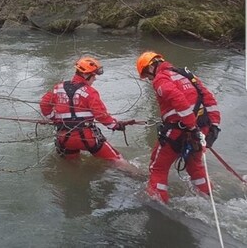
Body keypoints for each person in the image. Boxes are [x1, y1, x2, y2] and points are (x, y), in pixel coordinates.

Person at [136, 51, 221, 203]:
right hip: (202, 128)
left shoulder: (160, 79)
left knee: (158, 168)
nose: (149, 79)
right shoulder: (186, 74)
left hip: (179, 131)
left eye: (147, 76)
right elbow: (208, 97)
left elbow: (177, 98)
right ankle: (208, 198)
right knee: (195, 167)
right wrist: (214, 125)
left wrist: (191, 127)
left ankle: (157, 204)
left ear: (150, 68)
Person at [40, 56, 128, 161]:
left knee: (71, 166)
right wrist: (115, 125)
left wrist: (54, 118)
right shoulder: (90, 92)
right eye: (93, 75)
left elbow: (44, 104)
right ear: (85, 74)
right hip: (87, 137)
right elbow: (101, 115)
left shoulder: (58, 88)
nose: (95, 78)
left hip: (64, 137)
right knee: (117, 160)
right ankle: (138, 177)